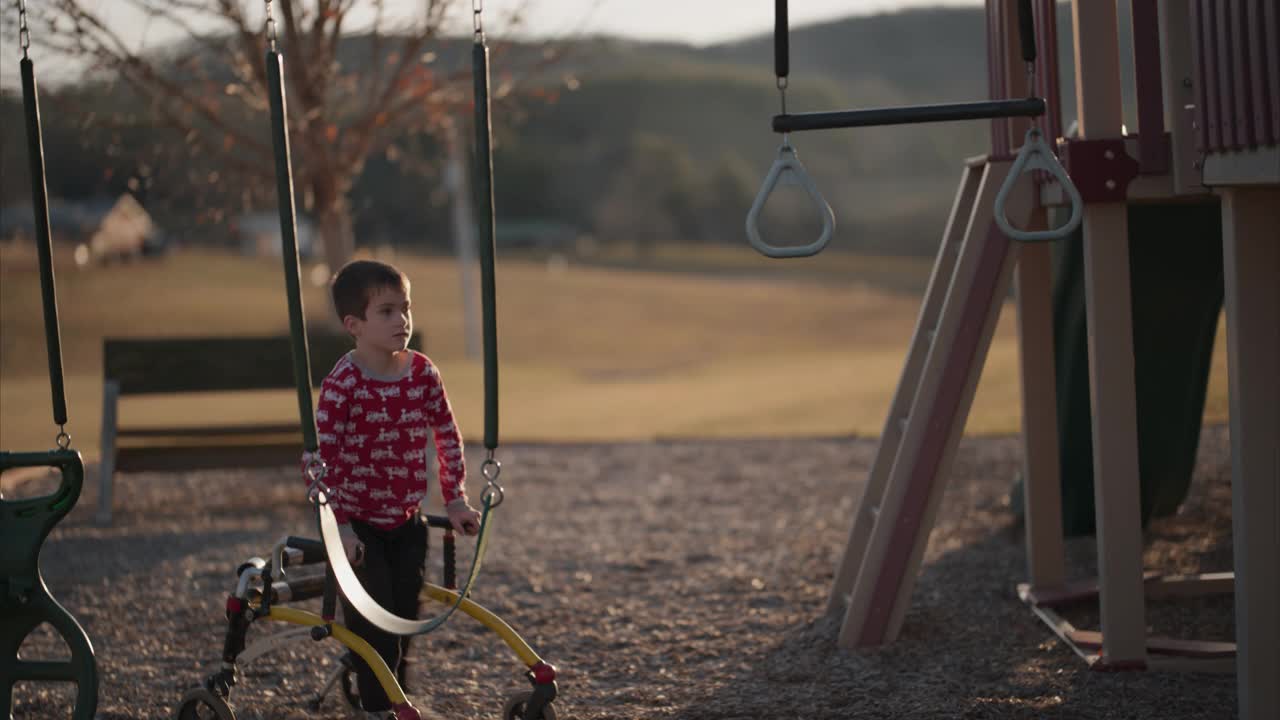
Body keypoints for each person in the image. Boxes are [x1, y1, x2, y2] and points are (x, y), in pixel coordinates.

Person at [310, 259, 481, 717]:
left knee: (403, 620)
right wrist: (339, 527)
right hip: (357, 529)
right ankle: (377, 708)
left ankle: (395, 698)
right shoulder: (343, 384)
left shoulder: (423, 373)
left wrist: (456, 497)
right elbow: (320, 462)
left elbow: (446, 434)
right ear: (354, 324)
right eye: (386, 311)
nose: (401, 320)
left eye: (404, 309)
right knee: (373, 626)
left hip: (407, 522)